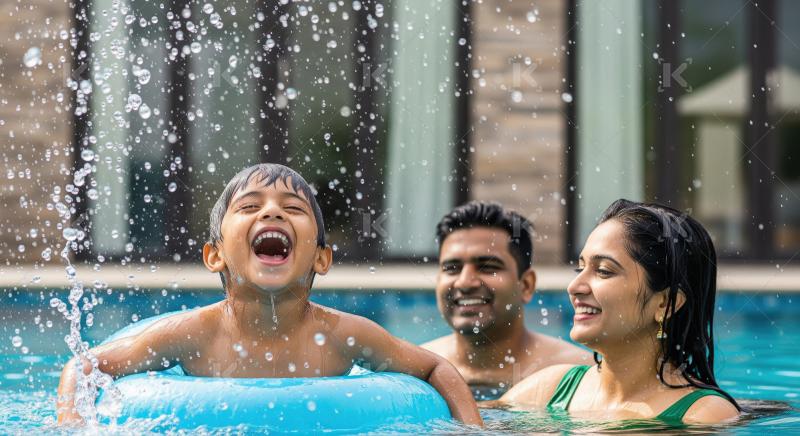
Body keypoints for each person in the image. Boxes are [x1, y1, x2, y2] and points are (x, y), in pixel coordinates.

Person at [57, 163, 483, 426]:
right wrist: (73, 426)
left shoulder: (343, 334)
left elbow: (433, 369)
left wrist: (473, 428)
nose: (272, 211)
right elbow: (86, 368)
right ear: (215, 255)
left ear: (320, 258)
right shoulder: (192, 334)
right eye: (249, 207)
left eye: (293, 209)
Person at [497, 199, 740, 424]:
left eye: (603, 271)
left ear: (665, 303)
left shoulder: (703, 415)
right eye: (579, 269)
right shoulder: (549, 389)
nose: (574, 287)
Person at [422, 201, 589, 400]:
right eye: (452, 268)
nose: (465, 282)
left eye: (487, 267)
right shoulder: (417, 369)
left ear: (526, 285)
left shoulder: (579, 373)